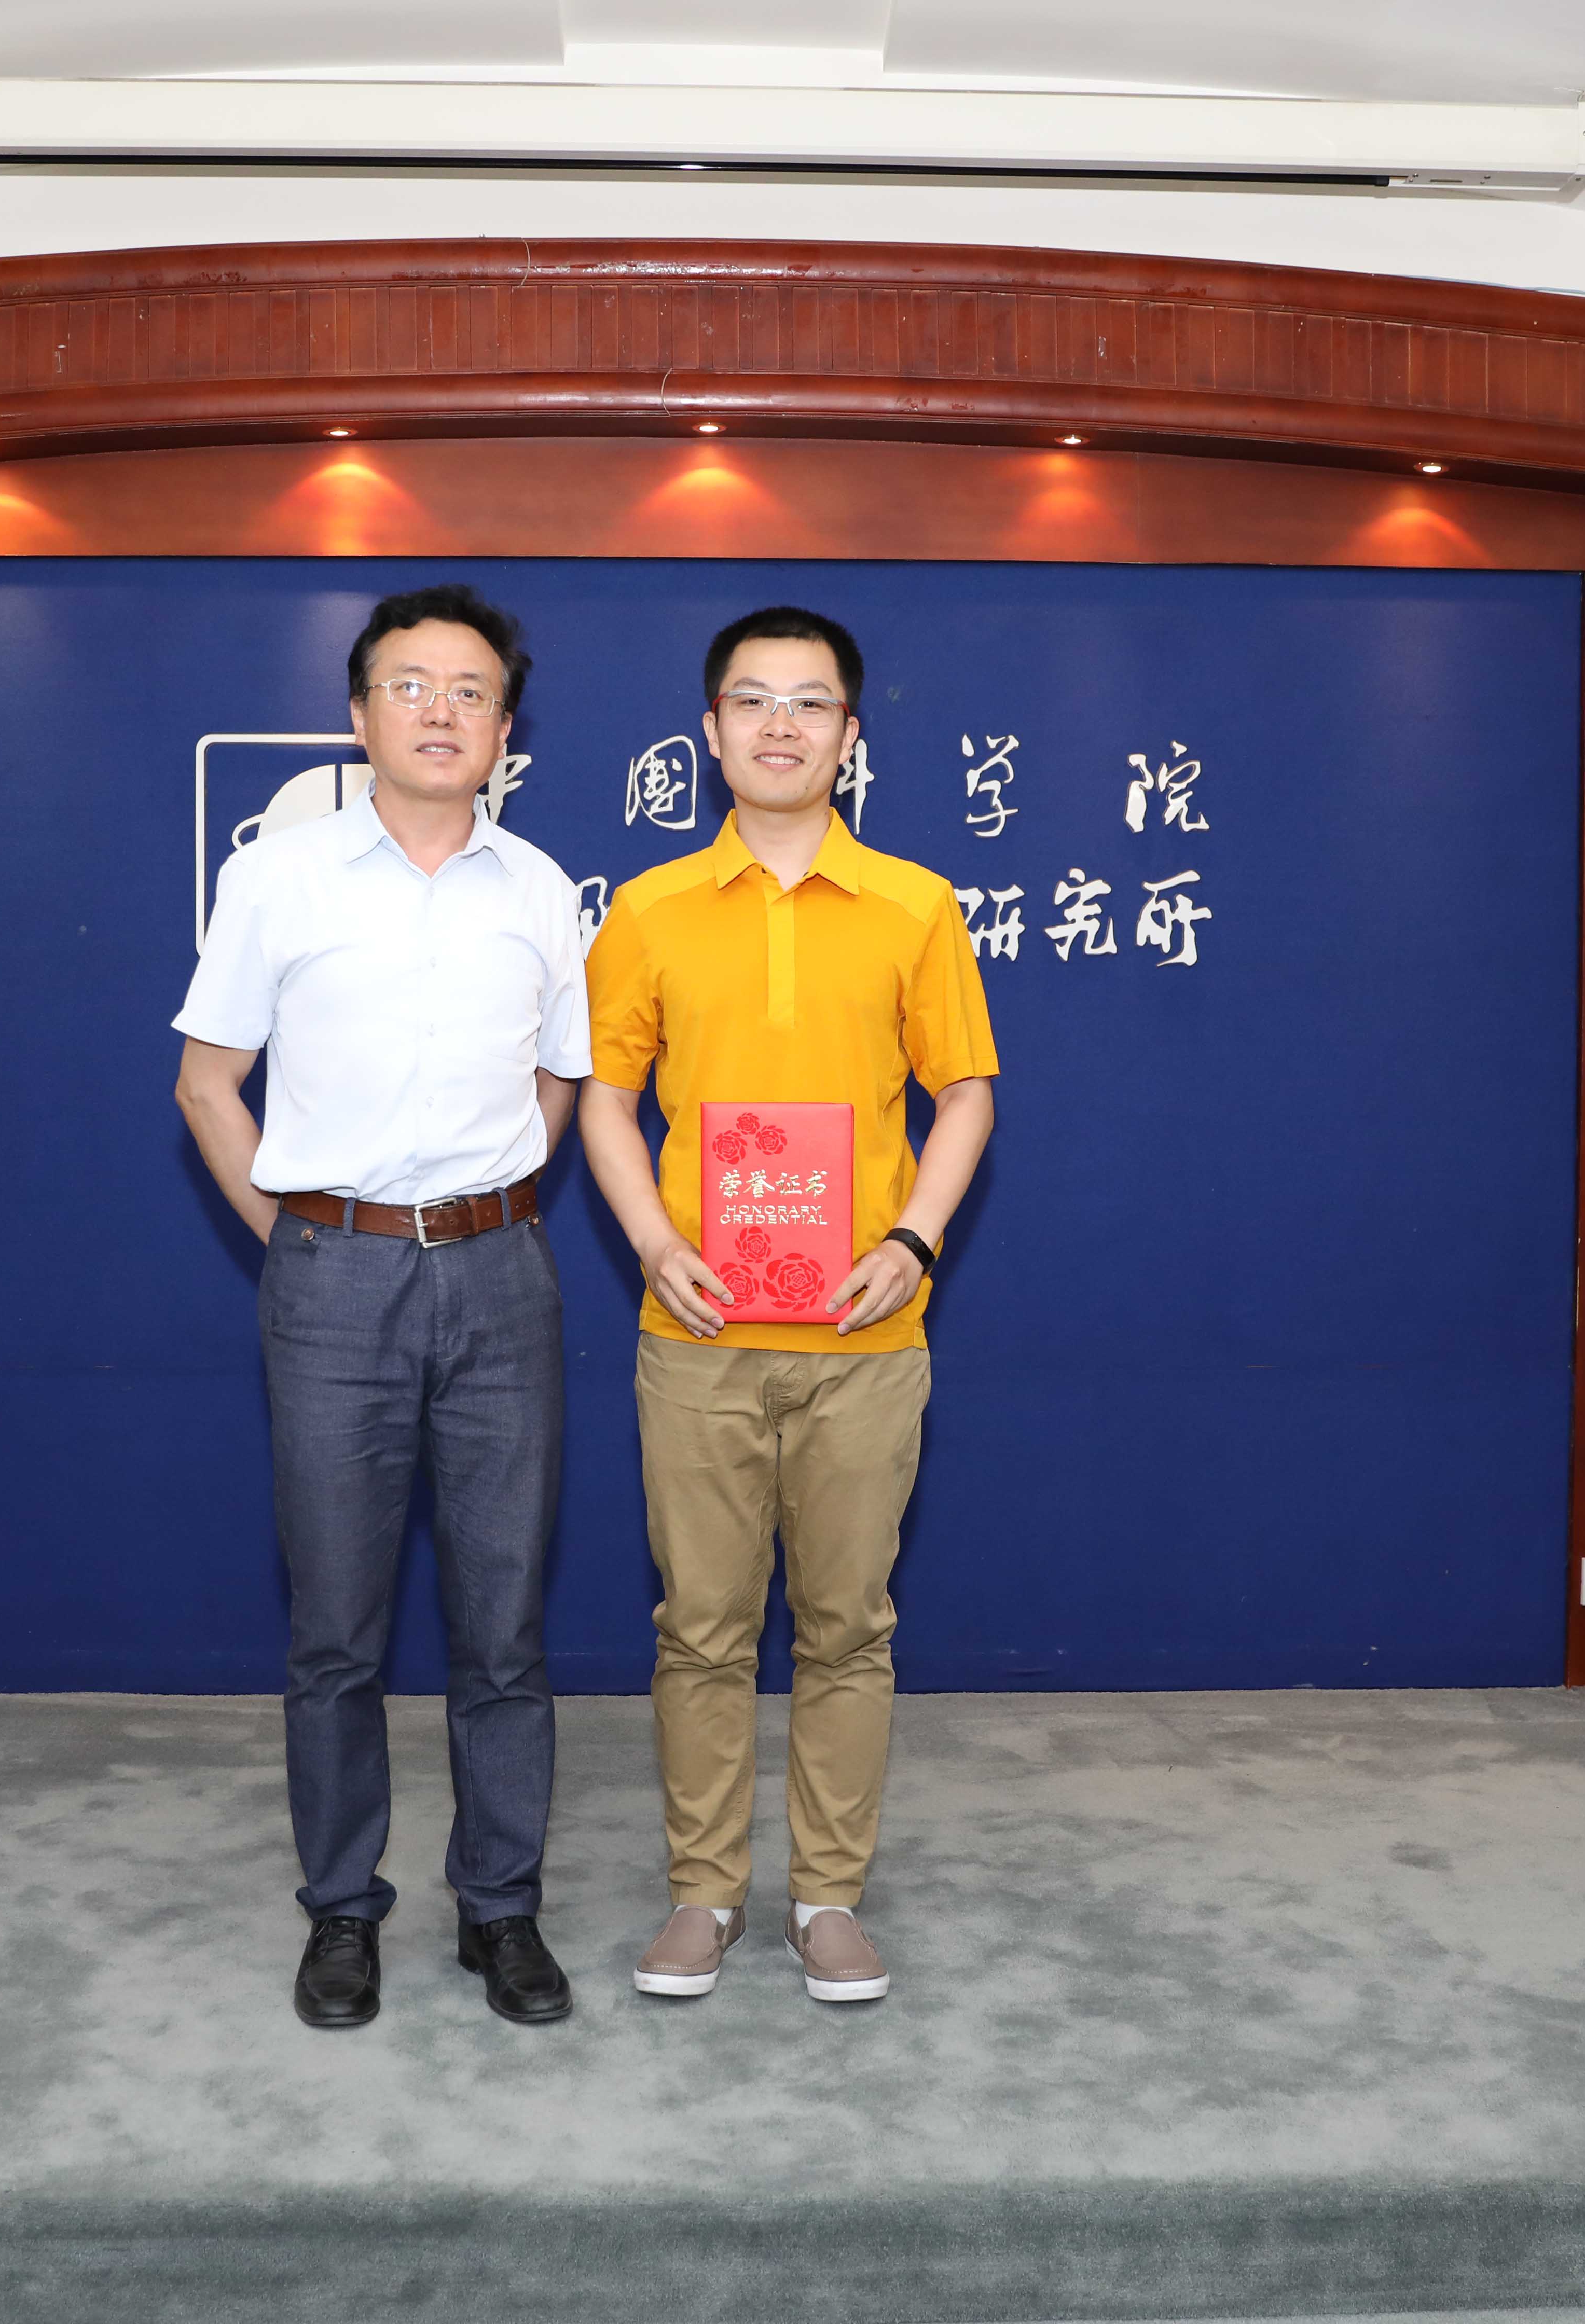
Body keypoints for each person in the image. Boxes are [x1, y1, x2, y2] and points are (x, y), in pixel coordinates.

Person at [173, 584, 592, 2030]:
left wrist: (488, 1198)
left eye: (470, 691)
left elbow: (559, 1079)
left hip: (501, 1277)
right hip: (333, 1278)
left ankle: (502, 1909)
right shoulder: (280, 880)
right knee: (337, 1631)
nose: (440, 711)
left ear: (504, 729)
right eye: (410, 685)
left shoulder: (539, 889)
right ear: (359, 715)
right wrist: (301, 1242)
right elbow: (207, 1085)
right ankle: (343, 1911)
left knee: (505, 1626)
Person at [579, 605, 1000, 2005]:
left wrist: (916, 1240)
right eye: (752, 701)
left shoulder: (915, 905)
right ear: (710, 732)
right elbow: (605, 1099)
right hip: (696, 1338)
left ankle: (828, 1899)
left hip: (865, 1342)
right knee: (699, 1630)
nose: (780, 725)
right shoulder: (647, 909)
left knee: (847, 1630)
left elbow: (965, 1093)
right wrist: (653, 1242)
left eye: (810, 703)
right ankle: (703, 1895)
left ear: (850, 736)